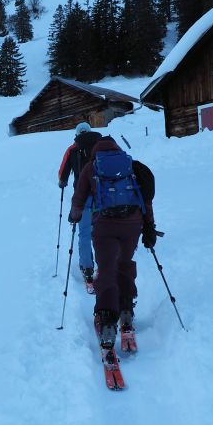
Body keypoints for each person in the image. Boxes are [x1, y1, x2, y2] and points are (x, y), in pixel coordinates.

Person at [68, 136, 156, 348]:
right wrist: (149, 227)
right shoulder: (130, 165)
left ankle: (107, 320)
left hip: (105, 225)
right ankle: (126, 310)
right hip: (132, 224)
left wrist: (74, 216)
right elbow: (145, 199)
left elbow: (79, 198)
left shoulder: (92, 167)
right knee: (124, 264)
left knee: (107, 269)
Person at [57, 122, 102, 286]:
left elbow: (62, 174)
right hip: (102, 196)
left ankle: (87, 269)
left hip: (82, 197)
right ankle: (104, 266)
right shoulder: (100, 145)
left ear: (77, 134)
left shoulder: (73, 149)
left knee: (84, 233)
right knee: (101, 232)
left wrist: (62, 182)